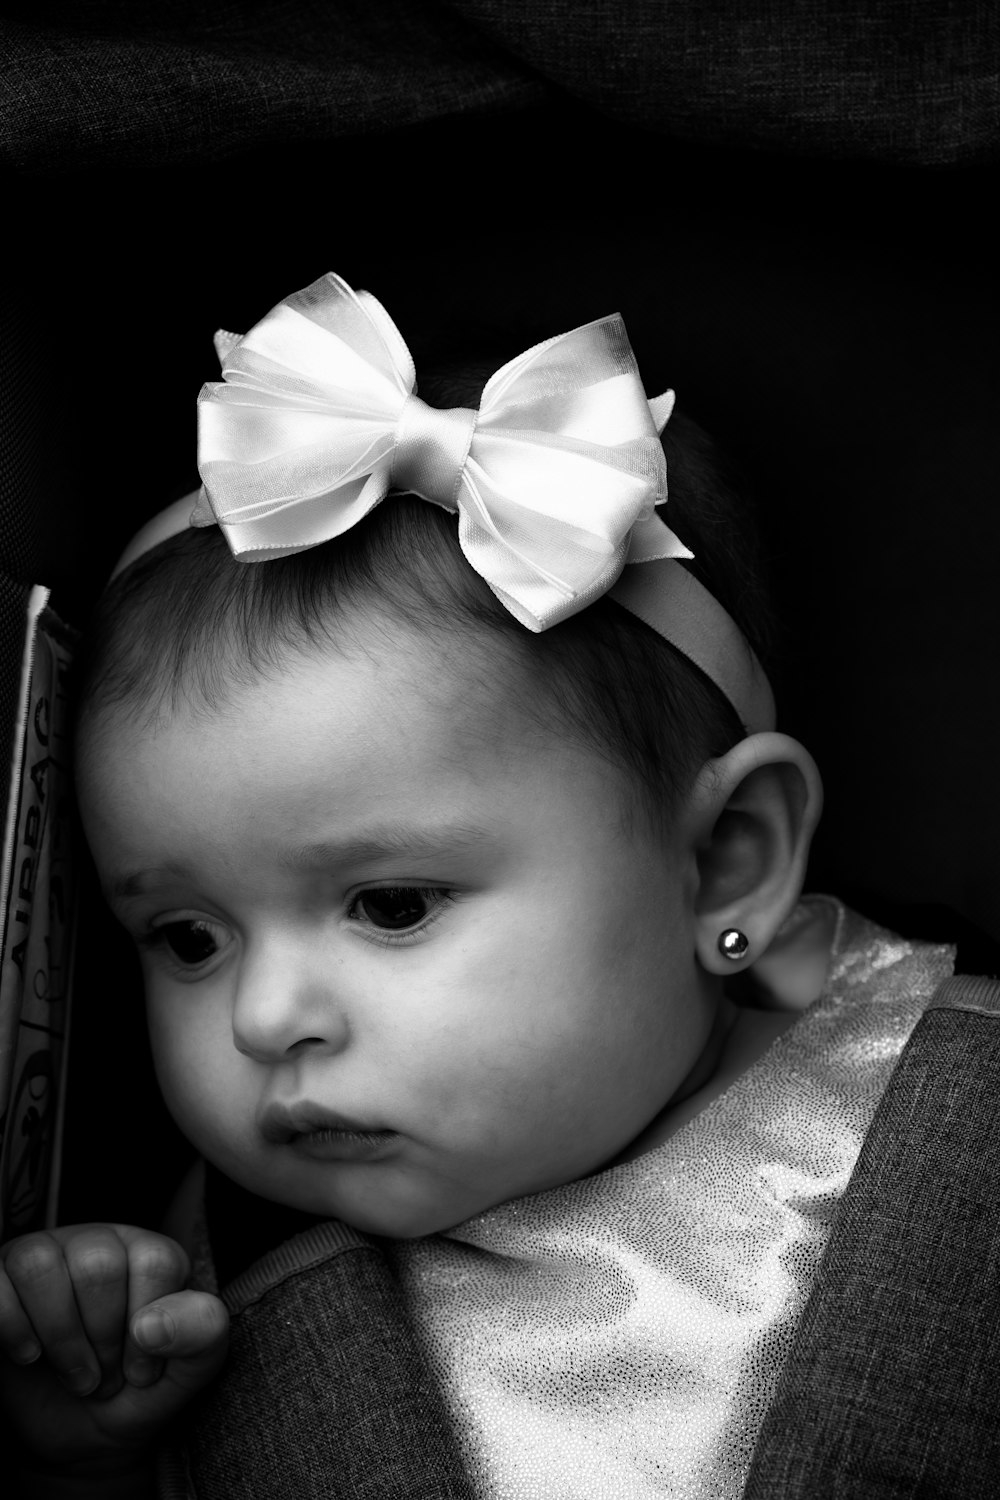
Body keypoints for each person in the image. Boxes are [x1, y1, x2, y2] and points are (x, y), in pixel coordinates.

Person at [0, 274, 956, 1498]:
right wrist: (102, 1447)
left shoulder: (947, 1112)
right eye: (187, 938)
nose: (261, 1018)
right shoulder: (193, 1286)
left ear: (727, 862)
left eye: (391, 905)